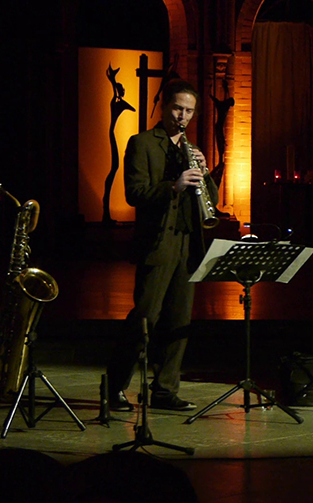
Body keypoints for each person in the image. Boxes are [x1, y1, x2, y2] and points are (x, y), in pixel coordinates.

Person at [105, 79, 218, 412]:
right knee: (145, 318)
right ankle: (115, 386)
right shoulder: (142, 143)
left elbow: (207, 197)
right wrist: (174, 184)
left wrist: (204, 173)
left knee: (179, 320)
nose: (182, 116)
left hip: (188, 243)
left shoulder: (190, 146)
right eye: (177, 108)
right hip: (159, 242)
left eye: (189, 111)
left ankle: (166, 389)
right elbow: (135, 193)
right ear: (165, 107)